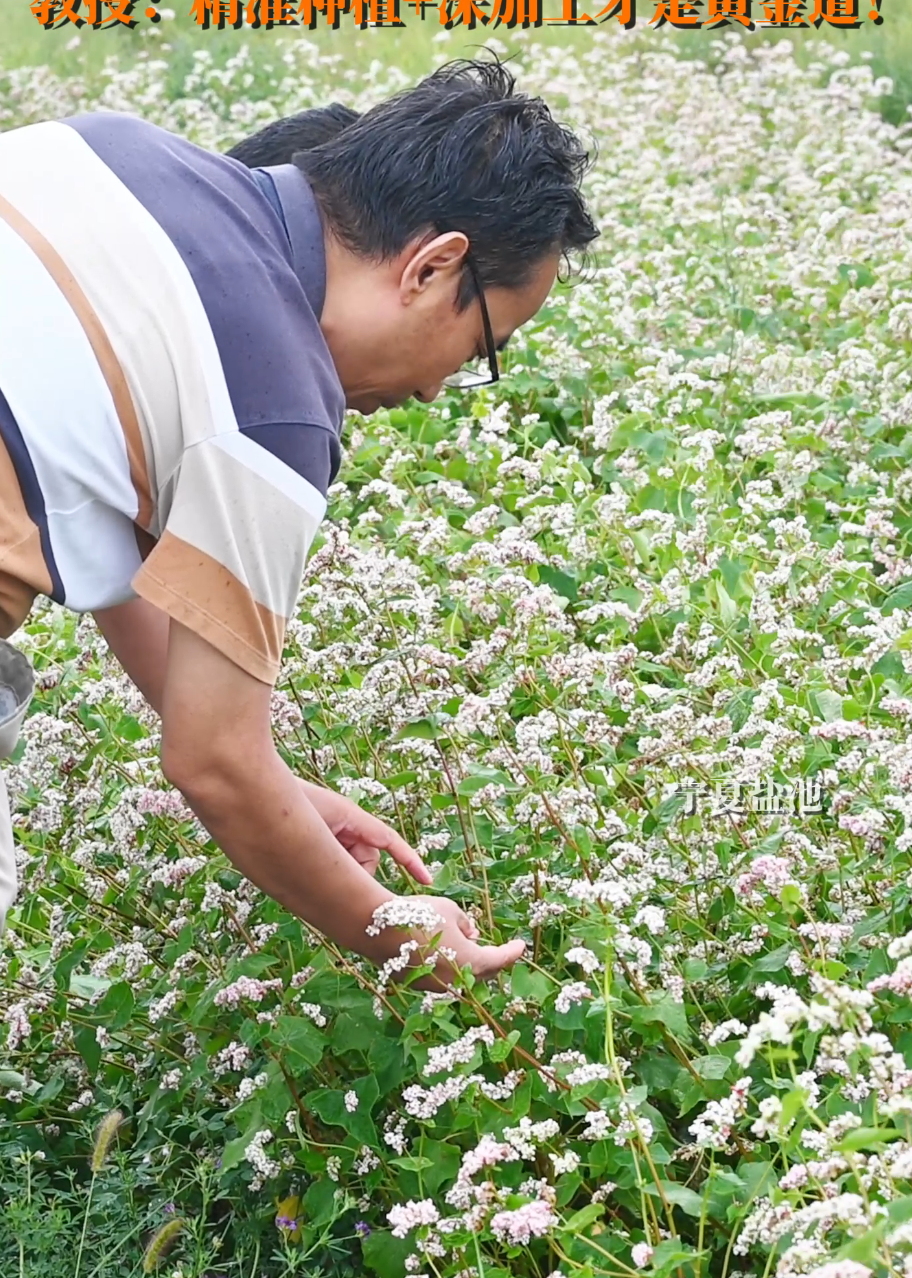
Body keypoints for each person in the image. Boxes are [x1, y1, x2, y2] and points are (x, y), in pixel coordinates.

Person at [0, 57, 599, 981]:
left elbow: (113, 537)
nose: (440, 388)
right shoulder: (273, 400)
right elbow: (213, 764)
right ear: (435, 266)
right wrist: (396, 932)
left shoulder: (107, 145)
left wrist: (281, 785)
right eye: (483, 347)